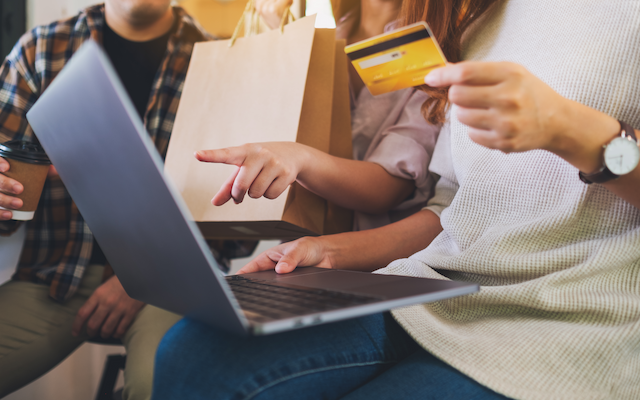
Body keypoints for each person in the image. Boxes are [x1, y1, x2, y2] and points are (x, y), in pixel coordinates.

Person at [152, 0, 640, 399]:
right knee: (194, 353)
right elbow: (453, 205)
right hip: (432, 286)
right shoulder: (479, 20)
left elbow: (393, 181)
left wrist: (576, 133)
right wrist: (332, 251)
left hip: (570, 313)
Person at [0, 1, 212, 398]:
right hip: (56, 277)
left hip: (173, 283)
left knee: (161, 383)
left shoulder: (219, 62)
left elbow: (238, 223)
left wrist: (147, 274)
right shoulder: (40, 50)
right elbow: (7, 208)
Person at [198, 0, 440, 231]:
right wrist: (287, 35)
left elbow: (389, 188)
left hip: (389, 258)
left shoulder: (435, 49)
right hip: (302, 246)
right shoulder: (325, 39)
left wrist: (300, 158)